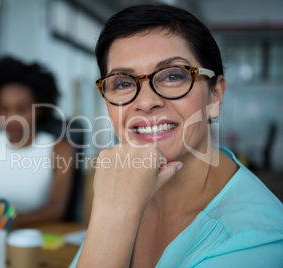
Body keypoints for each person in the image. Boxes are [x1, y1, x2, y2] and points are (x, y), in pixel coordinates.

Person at [71, 4, 283, 267]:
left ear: (215, 95)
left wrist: (113, 214)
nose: (146, 102)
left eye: (173, 76)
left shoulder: (257, 240)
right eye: (123, 83)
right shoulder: (126, 188)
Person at [0, 56, 75, 227]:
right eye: (4, 109)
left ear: (39, 109)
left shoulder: (60, 149)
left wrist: (5, 222)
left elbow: (56, 209)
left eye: (22, 109)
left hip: (37, 238)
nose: (11, 118)